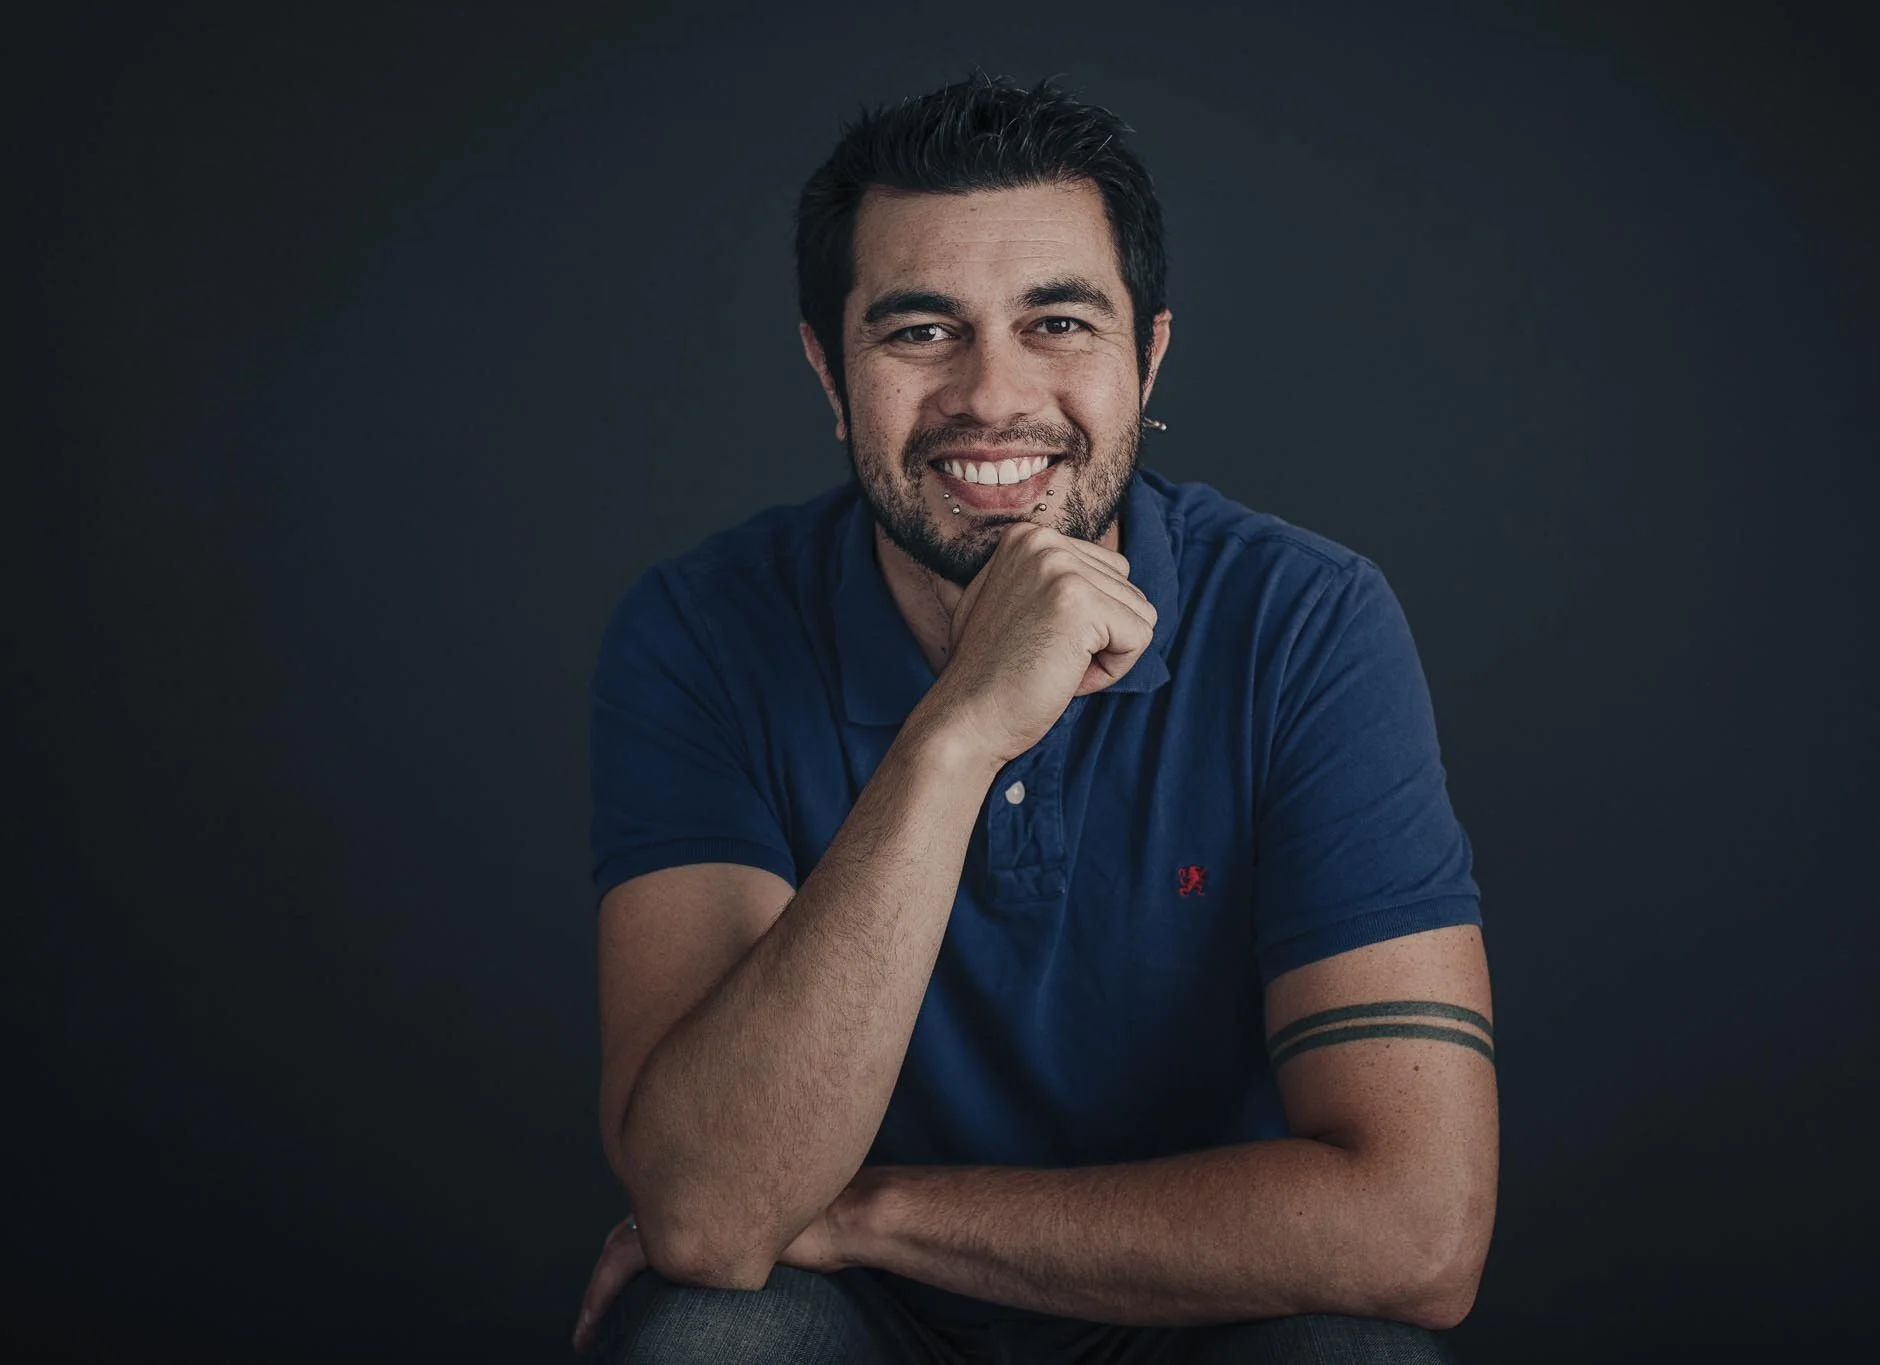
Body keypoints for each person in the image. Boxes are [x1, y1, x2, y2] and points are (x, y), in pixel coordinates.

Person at [571, 70, 1497, 1364]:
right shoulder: (701, 631)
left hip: (1203, 1307)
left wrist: (869, 1213)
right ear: (830, 371)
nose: (991, 396)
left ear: (1147, 357)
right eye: (919, 331)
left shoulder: (1305, 622)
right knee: (705, 1340)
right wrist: (959, 730)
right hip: (852, 1325)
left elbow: (1417, 1235)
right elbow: (711, 1214)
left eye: (1058, 322)